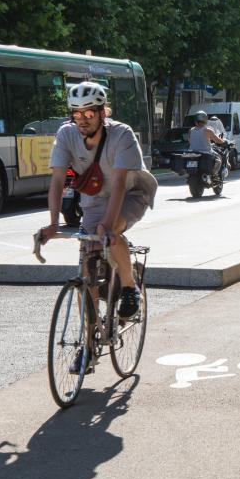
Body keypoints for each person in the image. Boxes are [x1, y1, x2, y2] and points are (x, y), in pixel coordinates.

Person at [40, 81, 158, 330]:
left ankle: (129, 286)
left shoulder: (122, 135)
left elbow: (118, 185)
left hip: (131, 192)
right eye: (76, 114)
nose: (82, 119)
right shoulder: (66, 134)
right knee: (87, 268)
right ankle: (91, 338)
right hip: (93, 198)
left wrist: (107, 225)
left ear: (103, 112)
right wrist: (52, 224)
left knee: (111, 231)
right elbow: (58, 180)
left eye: (89, 113)